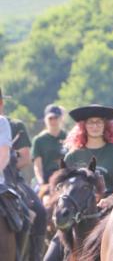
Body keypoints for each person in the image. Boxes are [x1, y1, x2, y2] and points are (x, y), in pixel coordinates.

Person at [43, 104, 113, 261]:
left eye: (99, 122)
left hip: (110, 210)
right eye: (90, 122)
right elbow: (63, 188)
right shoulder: (72, 156)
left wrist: (111, 199)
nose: (95, 126)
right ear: (83, 126)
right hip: (76, 213)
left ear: (105, 126)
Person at [1, 88, 47, 261]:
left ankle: (35, 255)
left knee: (39, 212)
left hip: (11, 179)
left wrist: (8, 164)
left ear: (1, 103)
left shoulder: (14, 125)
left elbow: (25, 158)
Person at [31, 104, 68, 191]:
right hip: (46, 178)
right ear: (45, 120)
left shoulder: (68, 137)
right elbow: (37, 166)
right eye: (50, 118)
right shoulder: (39, 140)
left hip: (65, 178)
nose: (53, 121)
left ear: (61, 119)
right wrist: (41, 182)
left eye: (56, 118)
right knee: (33, 200)